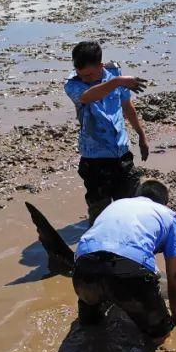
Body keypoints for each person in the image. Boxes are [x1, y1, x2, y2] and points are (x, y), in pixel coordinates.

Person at [72, 180, 176, 344]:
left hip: (83, 266)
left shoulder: (117, 205)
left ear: (137, 196)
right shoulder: (168, 215)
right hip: (128, 271)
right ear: (164, 203)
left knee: (89, 330)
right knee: (161, 338)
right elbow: (174, 275)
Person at [65, 41, 150, 223]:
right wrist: (118, 82)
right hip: (95, 158)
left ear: (101, 66)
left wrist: (141, 135)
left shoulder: (114, 73)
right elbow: (88, 96)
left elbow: (126, 105)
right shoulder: (72, 84)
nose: (85, 79)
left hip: (121, 152)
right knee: (100, 215)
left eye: (90, 74)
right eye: (82, 75)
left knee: (131, 209)